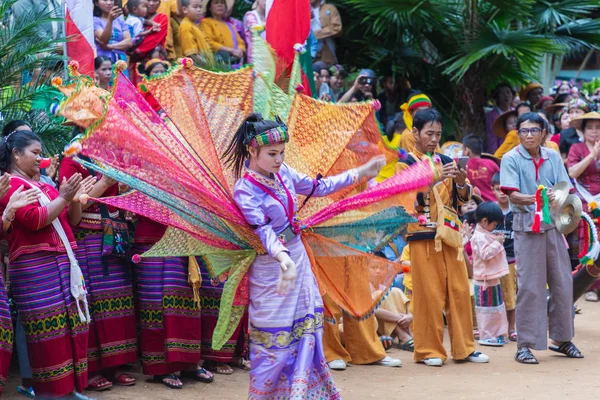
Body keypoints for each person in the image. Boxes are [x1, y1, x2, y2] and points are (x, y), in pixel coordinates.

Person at [224, 113, 386, 398]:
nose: (279, 159)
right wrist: (283, 259)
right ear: (252, 151)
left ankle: (301, 394)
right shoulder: (245, 190)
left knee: (305, 333)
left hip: (296, 260)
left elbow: (317, 187)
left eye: (282, 152)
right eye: (272, 153)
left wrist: (361, 173)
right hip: (271, 269)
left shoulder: (283, 171)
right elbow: (263, 231)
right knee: (274, 343)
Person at [0, 129, 95, 399]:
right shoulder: (10, 185)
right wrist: (63, 197)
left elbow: (72, 221)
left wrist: (74, 200)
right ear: (16, 154)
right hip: (35, 269)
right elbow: (36, 219)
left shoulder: (44, 185)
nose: (40, 159)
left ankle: (68, 389)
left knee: (70, 326)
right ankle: (50, 392)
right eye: (35, 153)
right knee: (48, 333)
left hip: (63, 262)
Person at [395, 109, 489, 367]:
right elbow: (405, 198)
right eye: (429, 133)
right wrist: (436, 177)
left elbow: (464, 197)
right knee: (428, 294)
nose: (434, 139)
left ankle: (464, 349)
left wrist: (459, 182)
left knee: (459, 291)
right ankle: (428, 350)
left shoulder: (446, 159)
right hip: (422, 235)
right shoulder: (406, 164)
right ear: (415, 133)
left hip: (450, 233)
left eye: (438, 134)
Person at [500, 112, 582, 365]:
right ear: (518, 133)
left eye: (534, 130)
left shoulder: (553, 156)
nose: (528, 135)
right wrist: (540, 198)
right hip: (526, 228)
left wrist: (559, 200)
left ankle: (562, 338)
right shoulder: (511, 158)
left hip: (554, 226)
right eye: (523, 131)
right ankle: (525, 344)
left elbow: (565, 188)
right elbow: (512, 196)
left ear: (544, 133)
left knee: (562, 282)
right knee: (530, 287)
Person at [59, 151, 138, 391]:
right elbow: (71, 208)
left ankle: (115, 365)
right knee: (91, 302)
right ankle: (91, 369)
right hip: (87, 239)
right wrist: (104, 183)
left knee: (117, 300)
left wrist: (125, 193)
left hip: (114, 237)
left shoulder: (114, 157)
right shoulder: (72, 160)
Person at [133, 218, 213, 389]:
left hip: (184, 237)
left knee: (187, 301)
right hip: (152, 238)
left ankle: (188, 363)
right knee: (155, 304)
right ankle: (161, 367)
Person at [567, 112, 600, 302]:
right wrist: (592, 156)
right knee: (588, 239)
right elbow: (572, 172)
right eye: (590, 128)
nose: (594, 132)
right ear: (583, 130)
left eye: (598, 128)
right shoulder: (576, 148)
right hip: (584, 197)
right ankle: (590, 286)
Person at [470, 202, 510, 347]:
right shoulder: (478, 237)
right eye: (494, 224)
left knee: (497, 309)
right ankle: (486, 335)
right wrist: (498, 243)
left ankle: (498, 333)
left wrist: (496, 240)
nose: (495, 227)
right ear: (485, 221)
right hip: (483, 281)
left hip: (492, 278)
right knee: (486, 311)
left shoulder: (485, 233)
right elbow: (485, 254)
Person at [491, 173, 517, 342]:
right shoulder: (490, 211)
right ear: (492, 190)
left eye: (505, 190)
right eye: (498, 189)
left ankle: (512, 327)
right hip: (492, 260)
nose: (502, 193)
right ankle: (494, 328)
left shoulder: (517, 211)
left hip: (512, 260)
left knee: (510, 296)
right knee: (494, 296)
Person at [369, 264, 414, 352]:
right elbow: (370, 310)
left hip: (390, 328)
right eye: (373, 267)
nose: (378, 271)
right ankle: (403, 335)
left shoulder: (385, 288)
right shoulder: (363, 286)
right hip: (374, 328)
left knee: (395, 291)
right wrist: (398, 318)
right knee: (380, 295)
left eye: (382, 268)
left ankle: (407, 334)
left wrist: (409, 316)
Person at [200, 0, 246, 65]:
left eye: (222, 3)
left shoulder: (230, 25)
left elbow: (240, 42)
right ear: (209, 8)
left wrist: (240, 50)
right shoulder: (206, 22)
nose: (220, 5)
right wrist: (231, 50)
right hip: (216, 64)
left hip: (234, 63)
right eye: (216, 3)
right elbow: (208, 42)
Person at [462, 134, 500, 202]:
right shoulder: (491, 163)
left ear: (467, 151)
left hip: (475, 206)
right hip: (495, 205)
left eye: (462, 150)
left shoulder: (463, 165)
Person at [94, 0, 133, 64]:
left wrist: (111, 46)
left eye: (111, 0)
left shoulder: (120, 20)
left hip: (121, 60)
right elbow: (104, 40)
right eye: (105, 0)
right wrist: (110, 20)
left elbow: (129, 42)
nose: (109, 3)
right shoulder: (94, 21)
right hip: (103, 60)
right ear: (96, 3)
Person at [179, 0, 212, 64]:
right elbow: (192, 55)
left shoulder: (195, 25)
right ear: (185, 9)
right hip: (198, 69)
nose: (199, 10)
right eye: (195, 7)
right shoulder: (186, 26)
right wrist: (208, 66)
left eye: (200, 7)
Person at [485, 83, 515, 154]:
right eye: (502, 93)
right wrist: (494, 156)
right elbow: (491, 138)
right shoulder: (491, 115)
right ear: (497, 97)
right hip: (501, 151)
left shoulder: (516, 112)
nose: (506, 95)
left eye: (508, 92)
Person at [310, 0, 342, 66]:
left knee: (325, 72)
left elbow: (337, 28)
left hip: (326, 50)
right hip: (308, 52)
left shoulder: (330, 8)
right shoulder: (302, 10)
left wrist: (314, 35)